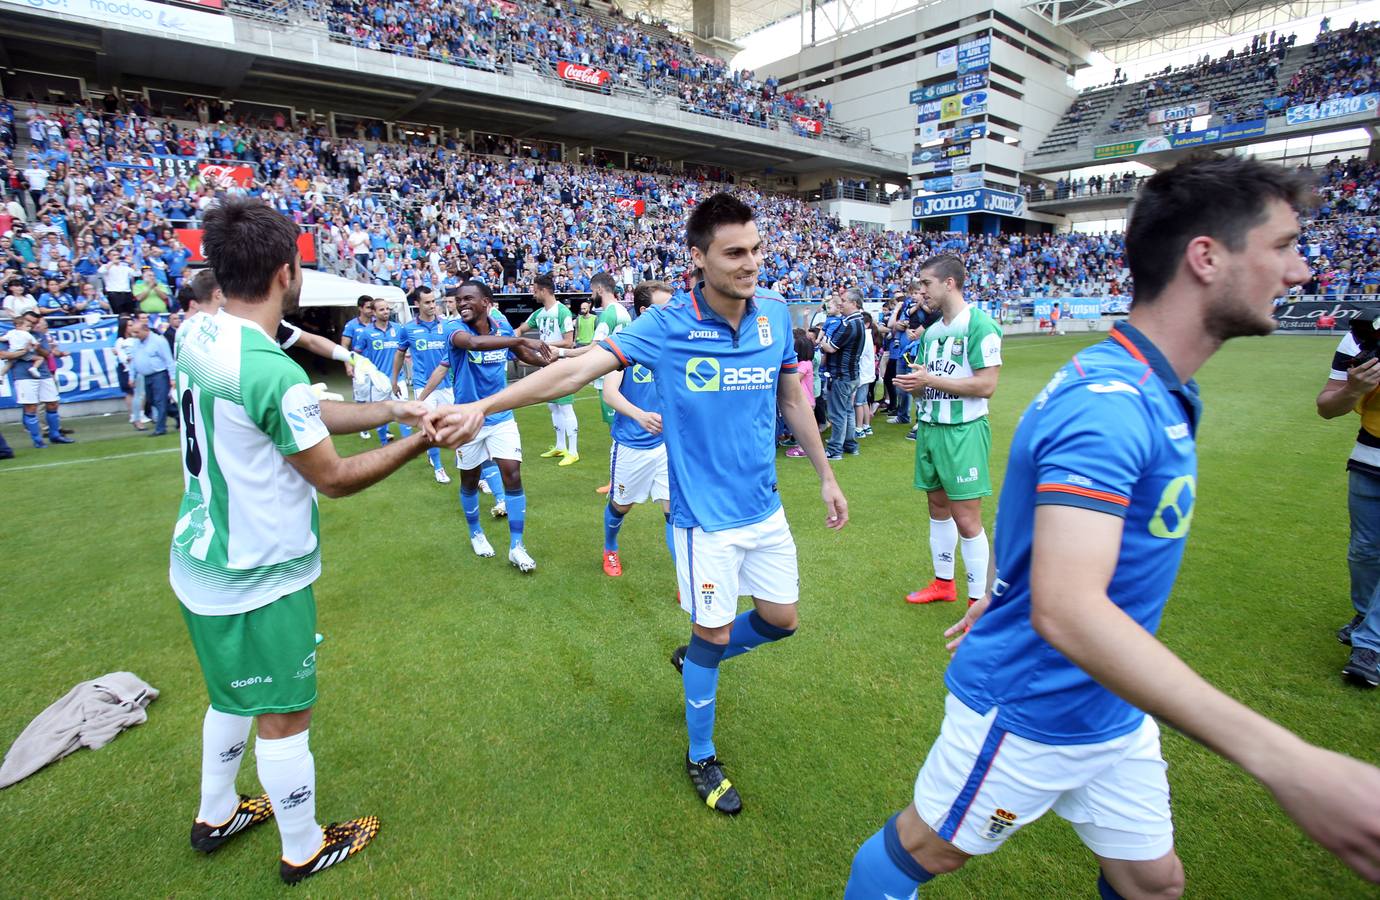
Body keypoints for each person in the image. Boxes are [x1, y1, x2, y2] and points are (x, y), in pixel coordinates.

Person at [844, 154, 1380, 899]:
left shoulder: (1154, 386)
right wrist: (1287, 760)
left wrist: (1003, 591)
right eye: (1284, 245)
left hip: (1111, 705)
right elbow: (1067, 607)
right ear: (1206, 257)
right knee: (919, 851)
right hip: (1036, 703)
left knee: (1153, 884)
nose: (1300, 271)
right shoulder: (1110, 402)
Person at [436, 193, 848, 816]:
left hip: (764, 508)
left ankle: (698, 659)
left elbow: (792, 399)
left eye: (757, 249)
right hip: (702, 517)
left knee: (781, 620)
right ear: (699, 257)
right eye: (734, 252)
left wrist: (825, 474)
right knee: (710, 631)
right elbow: (575, 375)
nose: (751, 263)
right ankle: (701, 754)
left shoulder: (774, 315)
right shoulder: (666, 324)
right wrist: (483, 407)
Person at [172, 198, 473, 886]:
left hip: (199, 557)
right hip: (256, 573)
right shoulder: (268, 370)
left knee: (229, 697)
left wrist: (393, 406)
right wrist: (418, 437)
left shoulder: (199, 336)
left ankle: (216, 813)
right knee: (283, 712)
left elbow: (301, 410)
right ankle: (303, 845)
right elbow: (333, 477)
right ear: (289, 271)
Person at [421, 279, 551, 570]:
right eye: (458, 300)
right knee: (469, 480)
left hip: (501, 417)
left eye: (468, 299)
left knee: (513, 474)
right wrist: (520, 338)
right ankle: (475, 532)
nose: (462, 303)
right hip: (467, 421)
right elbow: (475, 344)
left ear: (486, 302)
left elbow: (526, 356)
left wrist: (556, 362)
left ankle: (517, 546)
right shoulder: (455, 330)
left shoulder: (502, 329)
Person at [896, 255, 1002, 607]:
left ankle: (978, 601)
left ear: (949, 283)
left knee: (967, 517)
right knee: (937, 505)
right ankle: (944, 583)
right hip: (931, 427)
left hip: (964, 430)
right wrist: (917, 387)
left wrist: (930, 380)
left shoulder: (979, 325)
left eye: (925, 283)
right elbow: (932, 384)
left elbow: (986, 385)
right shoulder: (933, 332)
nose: (919, 291)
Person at [1316, 317, 1380, 686]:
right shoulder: (1360, 336)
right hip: (1369, 461)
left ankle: (1370, 644)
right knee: (1364, 551)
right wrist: (1354, 389)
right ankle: (1365, 614)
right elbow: (1327, 407)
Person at [600, 280, 674, 577]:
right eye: (663, 309)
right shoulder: (625, 343)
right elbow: (609, 392)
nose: (670, 314)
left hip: (666, 446)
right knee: (621, 506)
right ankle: (610, 547)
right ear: (644, 311)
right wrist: (640, 415)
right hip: (631, 444)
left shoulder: (675, 345)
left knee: (673, 512)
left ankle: (685, 574)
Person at [517, 274, 579, 466]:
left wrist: (541, 346)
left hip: (561, 362)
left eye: (535, 290)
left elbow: (569, 342)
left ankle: (573, 451)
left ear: (543, 290)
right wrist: (514, 338)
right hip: (546, 364)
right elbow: (521, 330)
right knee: (553, 405)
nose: (533, 293)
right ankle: (560, 446)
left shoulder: (562, 312)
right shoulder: (538, 314)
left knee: (565, 406)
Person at [394, 286, 453, 484]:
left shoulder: (446, 327)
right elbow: (400, 354)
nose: (431, 306)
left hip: (447, 385)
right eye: (427, 302)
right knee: (430, 426)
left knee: (454, 426)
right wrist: (394, 379)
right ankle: (439, 467)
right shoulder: (408, 329)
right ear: (417, 304)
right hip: (422, 385)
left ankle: (470, 468)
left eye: (433, 302)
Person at [355, 300, 411, 446]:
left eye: (387, 309)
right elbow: (357, 353)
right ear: (374, 313)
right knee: (380, 414)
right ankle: (384, 444)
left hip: (398, 379)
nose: (386, 311)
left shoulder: (399, 329)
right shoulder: (366, 332)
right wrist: (361, 369)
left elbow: (407, 348)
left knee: (404, 411)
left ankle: (407, 445)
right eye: (382, 309)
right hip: (378, 380)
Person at [821, 289, 864, 460]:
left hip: (841, 375)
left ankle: (834, 449)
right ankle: (850, 445)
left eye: (844, 300)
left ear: (854, 303)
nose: (840, 303)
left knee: (838, 413)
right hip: (851, 374)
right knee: (847, 411)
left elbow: (830, 347)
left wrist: (821, 340)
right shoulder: (859, 321)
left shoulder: (848, 324)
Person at [589, 271, 630, 428]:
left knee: (615, 427)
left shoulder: (609, 313)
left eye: (592, 291)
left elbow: (594, 348)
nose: (592, 296)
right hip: (623, 373)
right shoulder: (623, 311)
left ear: (599, 289)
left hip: (610, 375)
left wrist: (562, 353)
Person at [129, 316, 176, 436]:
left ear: (145, 329)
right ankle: (178, 415)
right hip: (146, 376)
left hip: (159, 374)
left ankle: (160, 428)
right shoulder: (136, 343)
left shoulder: (159, 341)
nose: (134, 335)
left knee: (160, 401)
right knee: (152, 401)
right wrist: (131, 376)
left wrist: (172, 377)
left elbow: (168, 360)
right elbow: (133, 360)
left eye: (137, 332)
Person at [340, 295, 376, 439]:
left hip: (376, 367)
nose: (371, 310)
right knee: (361, 398)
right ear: (360, 308)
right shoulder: (352, 325)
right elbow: (344, 346)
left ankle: (381, 427)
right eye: (368, 307)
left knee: (379, 397)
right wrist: (348, 365)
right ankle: (363, 427)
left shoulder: (377, 323)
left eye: (372, 307)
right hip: (359, 366)